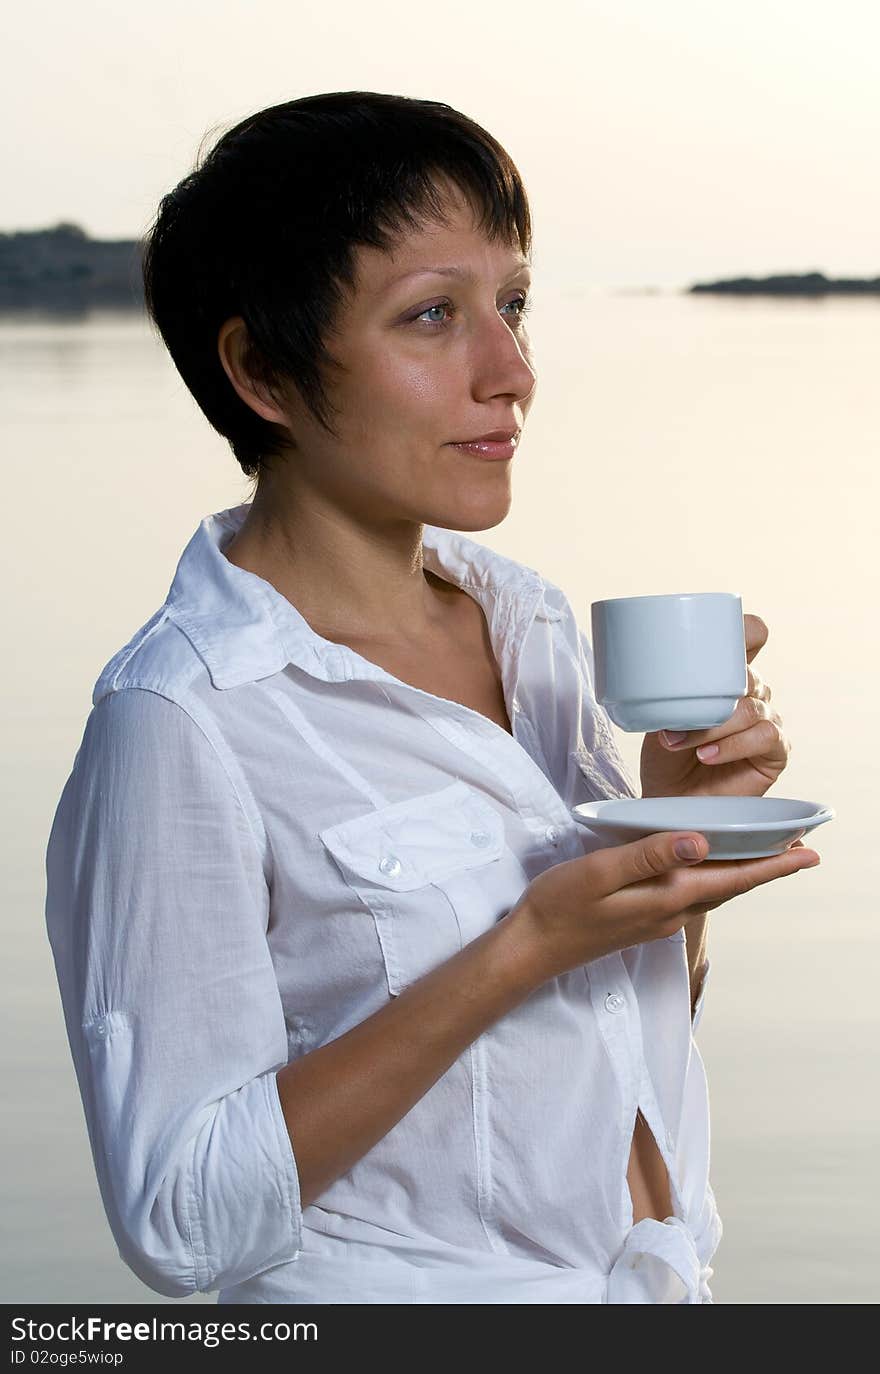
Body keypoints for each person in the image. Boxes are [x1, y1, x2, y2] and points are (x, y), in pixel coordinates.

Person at [44, 91, 817, 1305]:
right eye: (431, 317)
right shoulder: (183, 720)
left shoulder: (534, 627)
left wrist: (679, 849)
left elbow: (598, 1055)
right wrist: (521, 948)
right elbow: (183, 1223)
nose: (509, 373)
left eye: (511, 304)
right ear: (262, 371)